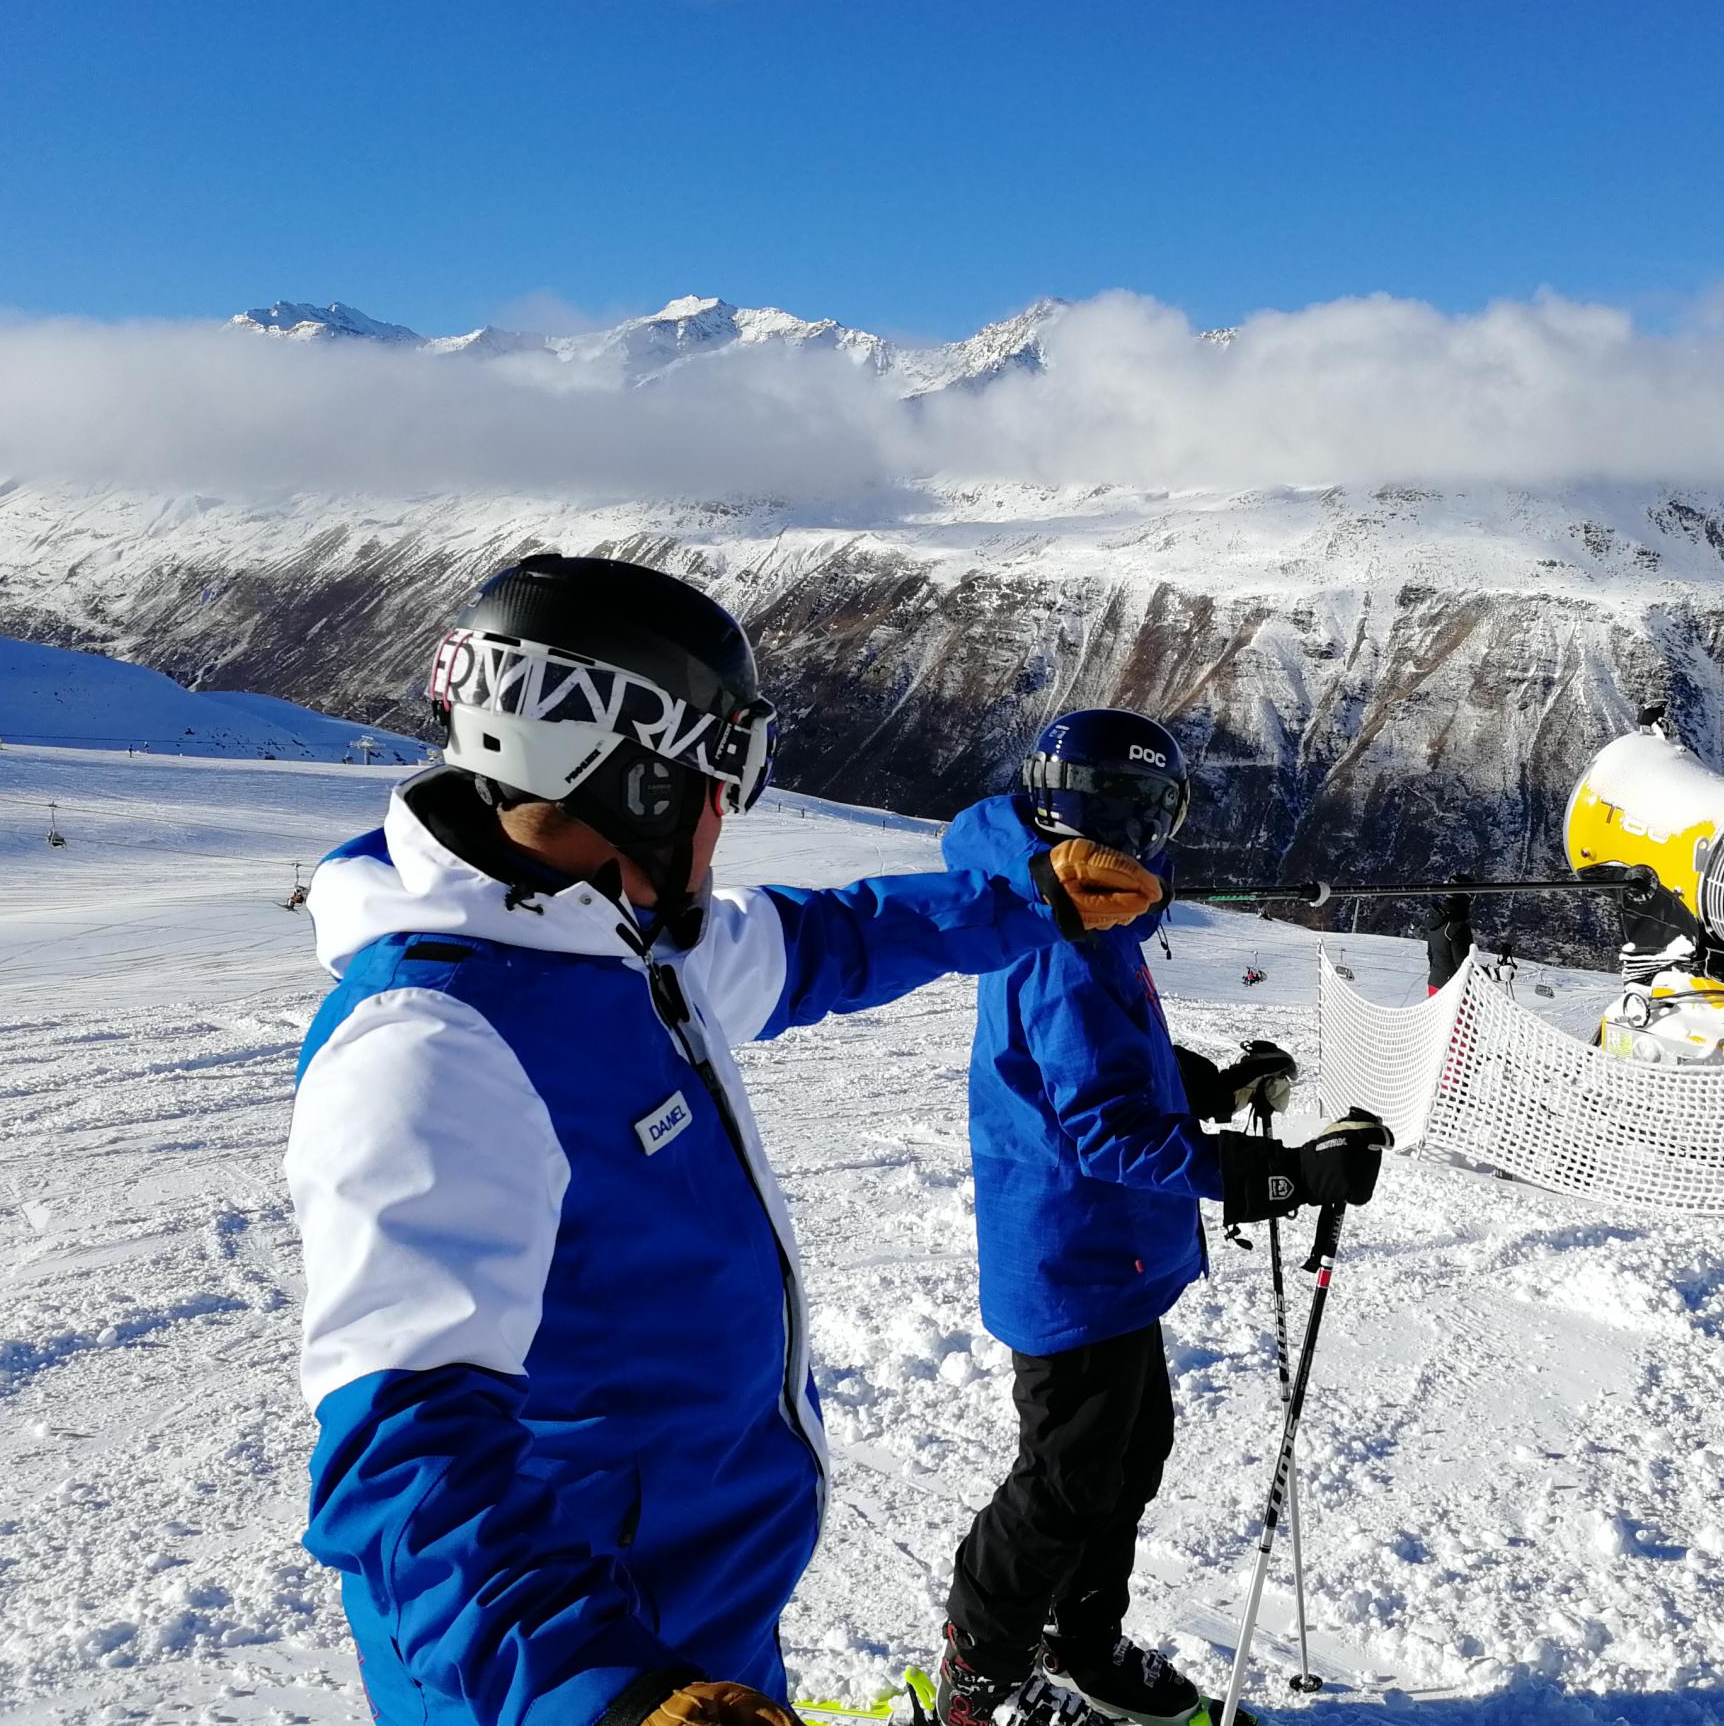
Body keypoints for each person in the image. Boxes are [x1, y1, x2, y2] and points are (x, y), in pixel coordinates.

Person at [285, 556, 1165, 1726]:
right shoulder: (436, 1043)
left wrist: (1027, 905)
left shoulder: (624, 946)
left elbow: (823, 946)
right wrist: (610, 1692)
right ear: (631, 776)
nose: (724, 817)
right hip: (577, 1666)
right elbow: (403, 1454)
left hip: (699, 1631)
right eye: (718, 778)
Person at [935, 709, 1393, 1726]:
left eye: (1153, 817)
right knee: (1062, 1484)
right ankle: (981, 1679)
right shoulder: (1061, 943)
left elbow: (1113, 1069)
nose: (1141, 841)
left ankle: (1079, 1643)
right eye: (1130, 814)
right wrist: (1275, 1177)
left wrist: (1215, 1087)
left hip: (1115, 1259)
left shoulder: (1073, 911)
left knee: (1126, 1460)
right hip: (1071, 1259)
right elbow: (1100, 1130)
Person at [1422, 887, 1474, 995]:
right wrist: (1496, 973)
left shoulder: (1436, 921)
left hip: (1435, 983)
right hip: (1454, 989)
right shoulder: (1458, 927)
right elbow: (1464, 966)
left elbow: (1431, 955)